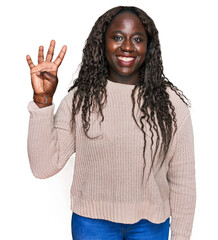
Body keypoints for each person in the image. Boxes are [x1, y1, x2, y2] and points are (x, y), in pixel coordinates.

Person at [26, 6, 196, 240]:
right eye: (117, 37)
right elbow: (43, 167)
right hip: (92, 225)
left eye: (137, 39)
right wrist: (43, 101)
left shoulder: (172, 105)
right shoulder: (80, 100)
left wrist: (181, 236)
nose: (127, 46)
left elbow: (183, 181)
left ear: (149, 47)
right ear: (102, 43)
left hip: (151, 227)